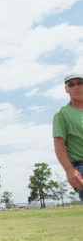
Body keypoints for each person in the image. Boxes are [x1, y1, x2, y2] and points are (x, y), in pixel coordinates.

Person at [53, 73, 83, 202]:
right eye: (71, 84)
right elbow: (59, 145)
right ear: (66, 89)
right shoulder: (62, 114)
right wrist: (70, 171)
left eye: (80, 83)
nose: (76, 87)